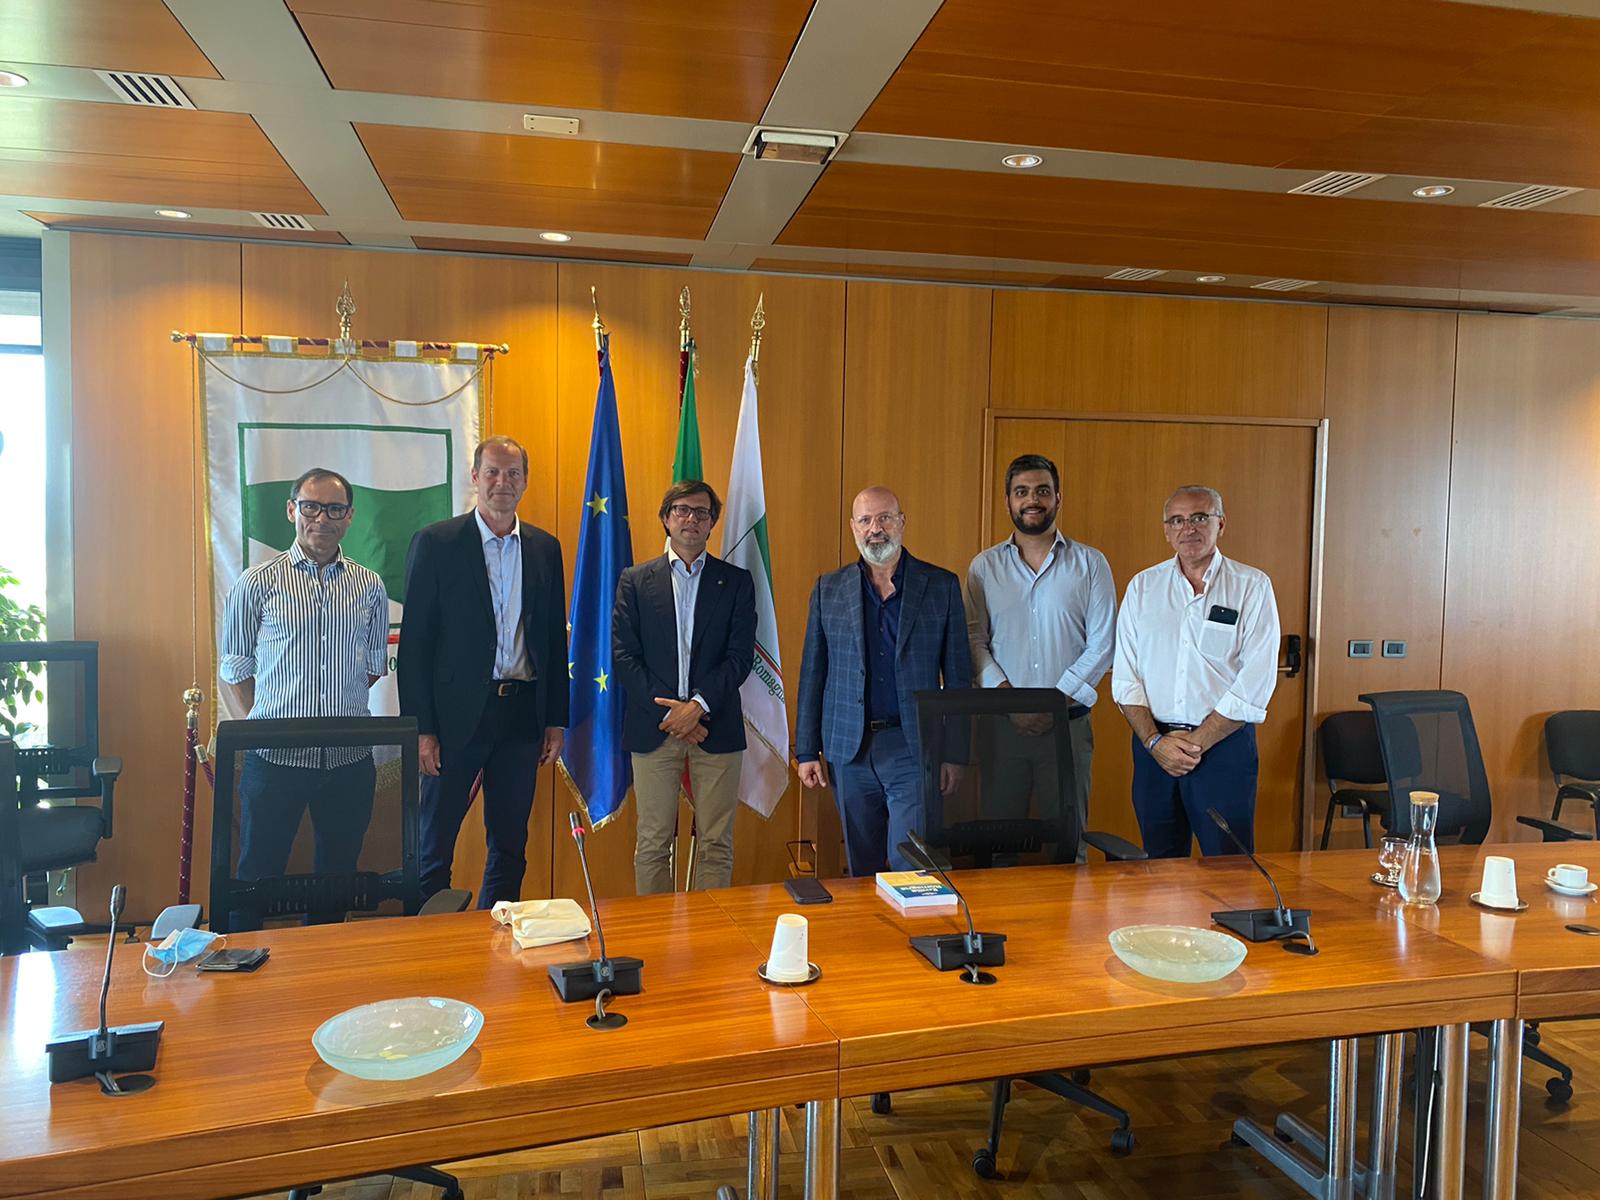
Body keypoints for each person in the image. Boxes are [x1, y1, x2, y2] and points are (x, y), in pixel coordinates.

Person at [397, 436, 567, 906]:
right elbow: (415, 645)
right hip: (453, 719)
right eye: (492, 472)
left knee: (510, 845)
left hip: (522, 716)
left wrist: (556, 719)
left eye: (513, 474)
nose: (502, 482)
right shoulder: (436, 543)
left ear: (525, 482)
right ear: (475, 477)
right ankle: (430, 938)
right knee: (433, 845)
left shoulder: (544, 548)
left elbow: (554, 640)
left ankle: (496, 933)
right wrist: (422, 730)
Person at [218, 467, 388, 917]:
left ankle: (325, 961)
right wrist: (268, 722)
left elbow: (372, 668)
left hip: (348, 760)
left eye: (334, 509)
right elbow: (235, 668)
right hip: (274, 760)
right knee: (257, 875)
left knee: (336, 880)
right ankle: (244, 960)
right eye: (311, 507)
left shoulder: (370, 586)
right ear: (292, 510)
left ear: (349, 516)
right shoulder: (256, 582)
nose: (322, 518)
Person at [795, 486, 971, 877]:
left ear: (902, 522)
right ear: (853, 527)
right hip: (849, 749)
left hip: (912, 746)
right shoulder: (828, 589)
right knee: (861, 865)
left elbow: (959, 676)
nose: (876, 529)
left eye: (885, 518)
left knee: (910, 864)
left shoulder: (940, 586)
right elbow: (813, 673)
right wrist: (806, 750)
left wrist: (956, 753)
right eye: (866, 520)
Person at [1111, 485, 1280, 858]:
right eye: (1177, 520)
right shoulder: (1143, 587)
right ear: (1166, 530)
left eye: (1200, 517)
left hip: (1223, 749)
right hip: (1155, 748)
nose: (1188, 528)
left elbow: (1256, 680)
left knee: (1229, 867)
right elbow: (1125, 677)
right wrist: (1155, 743)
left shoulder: (1251, 586)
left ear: (1221, 524)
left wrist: (1196, 743)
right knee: (1159, 866)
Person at [965, 454, 1115, 860]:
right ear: (1008, 501)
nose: (1032, 500)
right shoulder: (984, 567)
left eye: (1042, 491)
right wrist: (1012, 702)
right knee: (998, 845)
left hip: (1068, 727)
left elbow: (1103, 644)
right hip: (1001, 728)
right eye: (1022, 492)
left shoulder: (1091, 564)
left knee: (1068, 845)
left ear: (1058, 498)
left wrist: (1051, 704)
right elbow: (974, 640)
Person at [612, 480, 756, 894]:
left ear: (712, 523)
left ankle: (709, 928)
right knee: (653, 843)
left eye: (701, 512)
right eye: (681, 510)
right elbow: (624, 656)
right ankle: (656, 931)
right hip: (654, 727)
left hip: (716, 726)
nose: (691, 518)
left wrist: (697, 707)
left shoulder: (736, 582)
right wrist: (673, 714)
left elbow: (739, 657)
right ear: (665, 518)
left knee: (715, 843)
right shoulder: (635, 580)